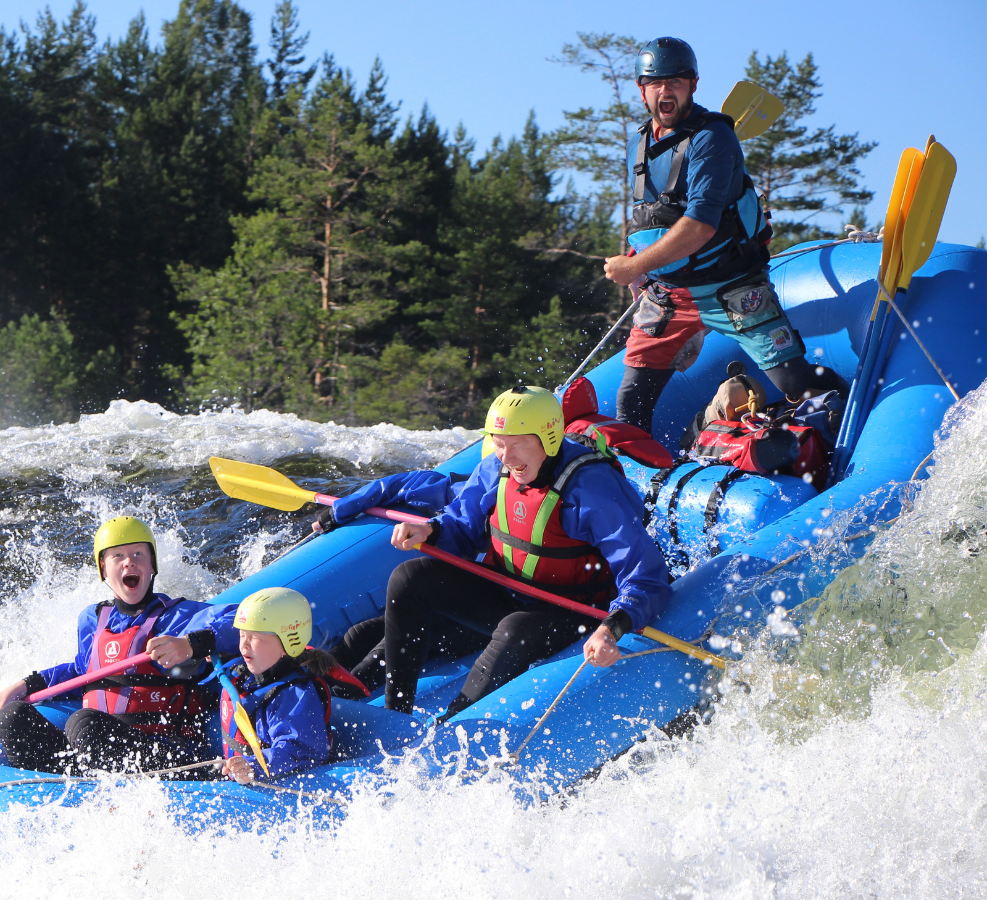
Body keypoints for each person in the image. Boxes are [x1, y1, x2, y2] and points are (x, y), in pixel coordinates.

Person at [337, 386, 673, 717]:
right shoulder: (495, 470)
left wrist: (611, 628)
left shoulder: (591, 487)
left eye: (518, 445)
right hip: (509, 592)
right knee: (408, 578)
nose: (506, 457)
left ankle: (449, 727)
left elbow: (646, 578)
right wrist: (432, 530)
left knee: (515, 628)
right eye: (499, 444)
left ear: (549, 438)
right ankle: (396, 714)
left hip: (572, 611)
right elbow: (462, 529)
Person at [602, 36, 846, 436]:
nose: (666, 90)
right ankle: (636, 487)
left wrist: (633, 266)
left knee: (795, 384)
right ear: (641, 89)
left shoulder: (713, 137)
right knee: (632, 401)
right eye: (656, 82)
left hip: (733, 285)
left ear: (693, 84)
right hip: (669, 294)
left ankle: (851, 413)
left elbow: (700, 224)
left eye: (677, 81)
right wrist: (639, 265)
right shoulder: (638, 144)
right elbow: (656, 215)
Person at [0, 516, 240, 775]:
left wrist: (191, 645)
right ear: (103, 569)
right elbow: (82, 672)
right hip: (98, 748)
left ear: (152, 564)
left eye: (138, 553)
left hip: (167, 753)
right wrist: (26, 684)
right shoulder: (92, 619)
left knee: (83, 724)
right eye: (117, 555)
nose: (129, 561)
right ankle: (66, 794)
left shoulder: (177, 616)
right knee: (12, 717)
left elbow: (244, 621)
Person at [218, 588, 339, 784]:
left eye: (255, 637)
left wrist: (253, 766)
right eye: (242, 635)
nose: (244, 646)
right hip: (240, 773)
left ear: (287, 644)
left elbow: (298, 750)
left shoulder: (296, 696)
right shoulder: (249, 676)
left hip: (283, 784)